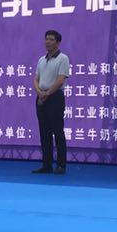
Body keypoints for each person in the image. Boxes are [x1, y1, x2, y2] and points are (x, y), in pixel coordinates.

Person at [32, 29, 70, 174]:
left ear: (58, 42)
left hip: (55, 97)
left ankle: (61, 165)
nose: (48, 42)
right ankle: (46, 164)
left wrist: (46, 94)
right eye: (46, 39)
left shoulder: (63, 58)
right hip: (41, 97)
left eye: (51, 40)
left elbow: (60, 80)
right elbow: (36, 79)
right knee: (44, 132)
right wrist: (40, 93)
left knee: (58, 131)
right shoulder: (41, 60)